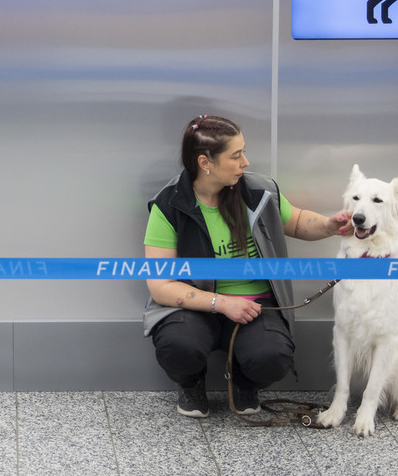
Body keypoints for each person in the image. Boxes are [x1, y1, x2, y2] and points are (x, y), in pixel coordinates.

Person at [143, 115, 351, 417]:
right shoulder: (169, 205)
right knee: (178, 346)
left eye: (244, 151)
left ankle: (245, 383)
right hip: (195, 308)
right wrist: (221, 303)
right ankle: (191, 384)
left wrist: (330, 225)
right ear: (205, 162)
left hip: (256, 307)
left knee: (273, 356)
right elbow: (160, 286)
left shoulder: (258, 192)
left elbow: (297, 221)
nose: (245, 162)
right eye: (236, 155)